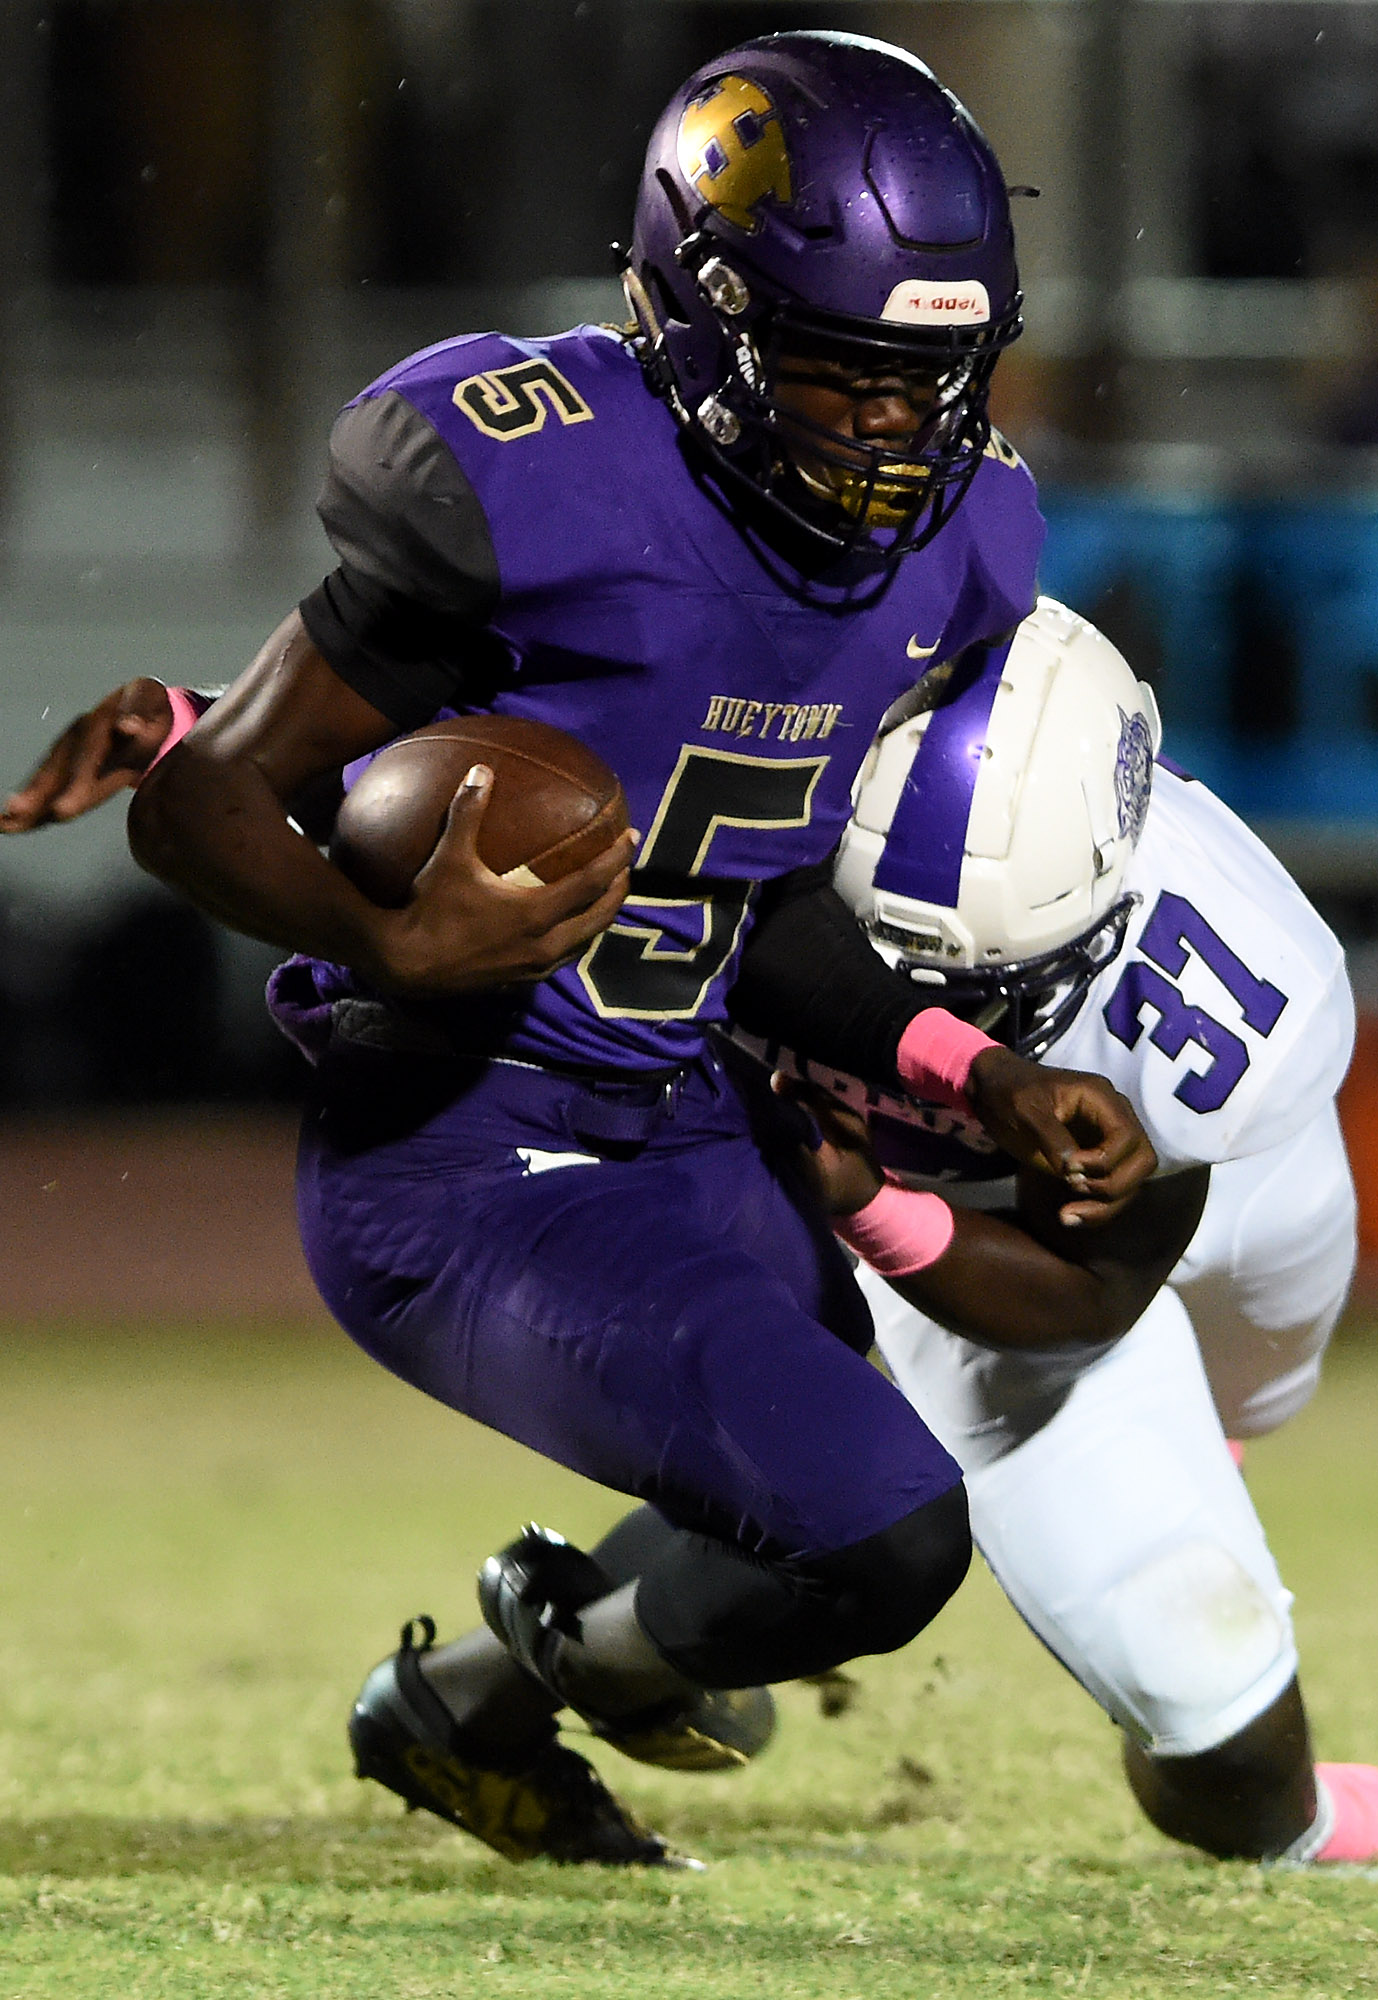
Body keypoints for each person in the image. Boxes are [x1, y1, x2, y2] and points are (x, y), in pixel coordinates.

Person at [8, 36, 1166, 1866]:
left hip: (689, 1127)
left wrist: (981, 1070)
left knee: (840, 1484)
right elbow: (201, 805)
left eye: (931, 381)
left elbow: (747, 883)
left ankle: (463, 1705)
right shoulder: (529, 481)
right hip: (465, 1166)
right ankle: (581, 1651)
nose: (892, 432)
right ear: (700, 318)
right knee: (884, 1532)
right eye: (843, 375)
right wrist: (393, 937)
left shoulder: (962, 549)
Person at [783, 597, 1378, 1863]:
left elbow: (1093, 1292)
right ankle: (564, 1661)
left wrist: (863, 1194)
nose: (950, 1020)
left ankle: (1180, 1464)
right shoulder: (755, 795)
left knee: (1263, 1385)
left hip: (1198, 1203)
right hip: (935, 1235)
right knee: (1210, 1720)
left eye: (986, 985)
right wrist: (868, 1202)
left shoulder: (1223, 991)